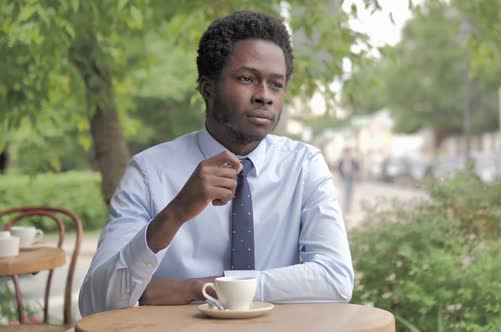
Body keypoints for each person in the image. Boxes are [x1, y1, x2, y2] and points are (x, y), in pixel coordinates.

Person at [79, 11, 353, 316]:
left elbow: (335, 278)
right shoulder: (147, 173)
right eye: (247, 79)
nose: (265, 96)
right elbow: (95, 302)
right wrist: (175, 213)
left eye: (276, 84)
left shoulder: (304, 166)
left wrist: (200, 289)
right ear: (207, 87)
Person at [338, 148, 359, 213]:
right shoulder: (342, 161)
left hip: (351, 178)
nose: (347, 155)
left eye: (349, 153)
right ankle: (345, 207)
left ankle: (348, 207)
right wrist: (341, 175)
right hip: (345, 178)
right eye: (346, 153)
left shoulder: (353, 161)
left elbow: (357, 168)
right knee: (345, 193)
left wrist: (355, 174)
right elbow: (339, 168)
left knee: (350, 193)